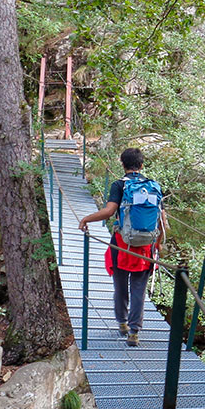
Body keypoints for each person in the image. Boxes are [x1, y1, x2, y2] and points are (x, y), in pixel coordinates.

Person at [77, 148, 163, 347]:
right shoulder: (155, 186)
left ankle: (122, 323)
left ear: (122, 165)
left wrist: (86, 218)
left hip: (123, 245)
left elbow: (109, 212)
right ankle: (134, 332)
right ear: (142, 165)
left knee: (120, 286)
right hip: (146, 248)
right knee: (139, 290)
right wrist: (157, 245)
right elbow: (162, 221)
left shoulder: (119, 185)